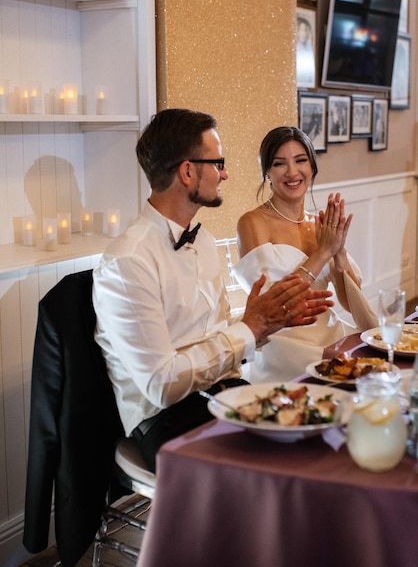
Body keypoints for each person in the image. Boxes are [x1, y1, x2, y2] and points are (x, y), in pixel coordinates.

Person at [92, 110, 334, 472]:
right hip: (168, 420)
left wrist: (266, 324)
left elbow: (214, 338)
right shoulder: (129, 261)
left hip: (223, 393)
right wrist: (250, 328)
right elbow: (161, 385)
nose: (225, 173)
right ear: (188, 171)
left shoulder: (201, 241)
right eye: (218, 162)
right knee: (287, 469)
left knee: (326, 433)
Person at [234, 126, 378, 383]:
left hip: (329, 331)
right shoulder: (252, 222)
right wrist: (323, 251)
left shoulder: (319, 224)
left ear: (312, 167)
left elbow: (348, 302)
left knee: (377, 371)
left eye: (300, 161)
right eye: (279, 164)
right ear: (267, 172)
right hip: (283, 343)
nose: (292, 172)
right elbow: (274, 304)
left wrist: (339, 252)